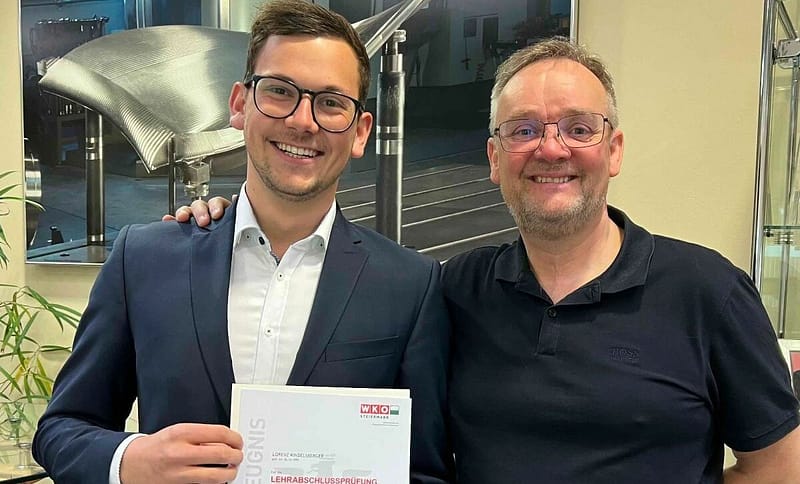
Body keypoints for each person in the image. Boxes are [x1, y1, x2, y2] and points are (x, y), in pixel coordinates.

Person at [182, 37, 800, 483]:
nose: (550, 149)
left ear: (613, 150)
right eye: (523, 130)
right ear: (494, 159)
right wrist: (224, 223)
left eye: (578, 128)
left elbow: (780, 465)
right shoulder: (453, 291)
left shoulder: (709, 291)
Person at [32, 1, 453, 483]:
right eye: (280, 91)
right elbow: (61, 429)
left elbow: (425, 471)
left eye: (331, 102)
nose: (303, 121)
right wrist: (131, 461)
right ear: (239, 105)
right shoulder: (144, 260)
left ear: (360, 133)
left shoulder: (409, 286)